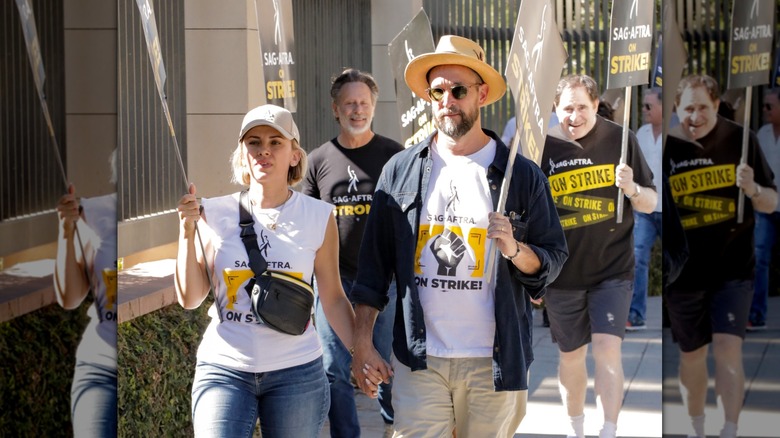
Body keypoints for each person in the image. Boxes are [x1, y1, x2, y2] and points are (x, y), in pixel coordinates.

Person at [349, 35, 569, 438]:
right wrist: (361, 343)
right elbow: (372, 273)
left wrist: (514, 249)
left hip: (494, 360)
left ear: (481, 94)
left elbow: (552, 260)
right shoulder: (400, 171)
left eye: (458, 90)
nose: (446, 99)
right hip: (420, 359)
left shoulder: (519, 175)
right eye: (437, 91)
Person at [175, 104, 357, 437]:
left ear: (294, 155)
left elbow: (332, 298)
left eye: (276, 142)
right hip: (224, 368)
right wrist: (186, 232)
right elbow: (190, 298)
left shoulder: (318, 216)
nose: (264, 151)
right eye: (254, 142)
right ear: (242, 154)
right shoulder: (213, 213)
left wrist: (360, 353)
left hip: (297, 372)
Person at [541, 74, 657, 438]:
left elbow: (651, 204)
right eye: (566, 109)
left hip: (612, 270)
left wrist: (632, 188)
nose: (573, 116)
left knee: (608, 350)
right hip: (562, 274)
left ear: (595, 106)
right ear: (555, 109)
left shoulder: (621, 140)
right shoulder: (543, 146)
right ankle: (577, 430)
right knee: (571, 357)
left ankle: (608, 431)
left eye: (581, 108)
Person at [664, 74, 777, 438]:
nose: (694, 117)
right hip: (683, 273)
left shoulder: (741, 140)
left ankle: (730, 429)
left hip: (733, 269)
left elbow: (772, 202)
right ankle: (697, 427)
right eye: (687, 109)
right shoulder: (668, 146)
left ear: (716, 105)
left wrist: (753, 187)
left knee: (729, 350)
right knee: (692, 356)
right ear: (677, 109)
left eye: (702, 108)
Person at [302, 68, 403, 437]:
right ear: (335, 109)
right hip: (335, 284)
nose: (357, 110)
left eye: (363, 103)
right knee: (334, 368)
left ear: (373, 106)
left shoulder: (396, 156)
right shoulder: (317, 160)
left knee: (387, 363)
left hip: (385, 283)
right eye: (349, 103)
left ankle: (394, 429)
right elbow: (307, 222)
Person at [54, 150, 118, 438]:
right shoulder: (96, 214)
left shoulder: (172, 217)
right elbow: (70, 297)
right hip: (100, 365)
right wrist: (66, 231)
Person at [627, 87, 664, 331]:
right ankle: (636, 315)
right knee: (638, 259)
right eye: (644, 105)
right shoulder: (640, 132)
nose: (644, 110)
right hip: (646, 210)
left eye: (649, 106)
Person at [749, 87, 780, 331]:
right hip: (766, 209)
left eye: (769, 106)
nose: (765, 110)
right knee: (759, 259)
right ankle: (757, 314)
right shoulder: (762, 134)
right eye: (764, 106)